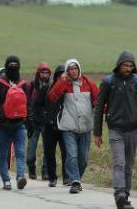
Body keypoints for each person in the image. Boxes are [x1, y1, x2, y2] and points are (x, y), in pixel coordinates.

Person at [94, 51, 137, 209]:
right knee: (119, 163)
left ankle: (126, 196)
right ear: (119, 65)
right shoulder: (108, 82)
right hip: (115, 128)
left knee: (128, 165)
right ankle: (119, 195)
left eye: (131, 66)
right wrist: (97, 132)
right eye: (125, 65)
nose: (128, 68)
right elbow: (98, 108)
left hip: (133, 130)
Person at [47, 58, 99, 194]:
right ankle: (75, 181)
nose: (73, 71)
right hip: (68, 127)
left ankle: (76, 179)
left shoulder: (89, 83)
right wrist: (62, 81)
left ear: (79, 69)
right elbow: (52, 97)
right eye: (70, 69)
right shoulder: (63, 83)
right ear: (67, 71)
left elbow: (98, 102)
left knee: (83, 158)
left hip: (86, 127)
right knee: (72, 155)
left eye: (75, 68)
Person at [0, 56, 34, 191]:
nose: (13, 67)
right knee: (18, 153)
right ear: (6, 66)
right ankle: (16, 177)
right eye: (11, 65)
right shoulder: (23, 84)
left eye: (14, 65)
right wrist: (30, 122)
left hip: (6, 125)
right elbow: (29, 105)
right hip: (14, 125)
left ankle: (11, 180)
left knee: (6, 154)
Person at [40, 65, 69, 187]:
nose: (61, 78)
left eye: (63, 76)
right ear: (56, 76)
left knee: (66, 153)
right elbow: (37, 105)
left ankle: (67, 177)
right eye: (59, 76)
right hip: (48, 127)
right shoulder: (47, 88)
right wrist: (43, 119)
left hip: (64, 126)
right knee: (49, 153)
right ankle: (52, 177)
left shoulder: (68, 90)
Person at [27, 62, 52, 180]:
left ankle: (45, 171)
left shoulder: (52, 86)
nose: (45, 75)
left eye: (47, 72)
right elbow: (27, 102)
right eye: (43, 72)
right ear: (38, 73)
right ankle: (31, 167)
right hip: (34, 122)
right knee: (31, 150)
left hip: (47, 122)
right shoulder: (32, 85)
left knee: (47, 148)